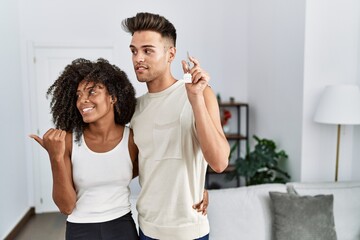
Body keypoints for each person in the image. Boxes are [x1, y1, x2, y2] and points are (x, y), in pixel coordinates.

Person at [122, 12, 230, 240]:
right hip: (147, 229)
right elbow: (135, 167)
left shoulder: (200, 94)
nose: (137, 58)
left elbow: (219, 162)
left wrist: (196, 100)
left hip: (189, 231)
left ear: (171, 54)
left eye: (147, 50)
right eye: (134, 51)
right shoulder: (135, 108)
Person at [30, 58, 139, 240]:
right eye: (78, 95)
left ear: (113, 97)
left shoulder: (132, 139)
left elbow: (153, 171)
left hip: (122, 226)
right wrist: (55, 157)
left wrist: (198, 188)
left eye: (92, 92)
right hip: (80, 229)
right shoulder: (68, 141)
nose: (82, 101)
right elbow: (66, 207)